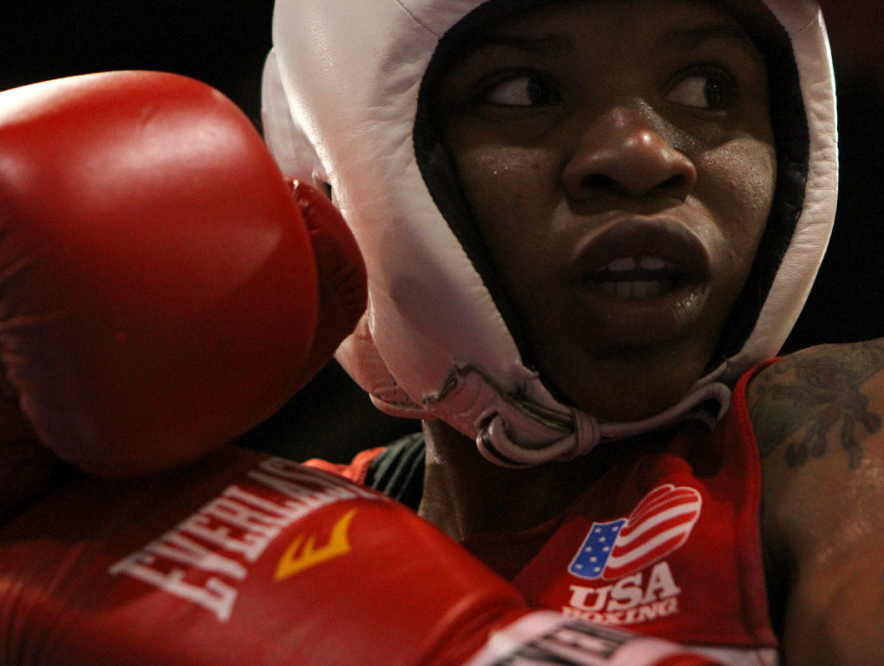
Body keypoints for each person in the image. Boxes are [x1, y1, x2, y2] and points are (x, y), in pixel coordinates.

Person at [262, 0, 877, 663]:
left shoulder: (844, 431)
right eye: (525, 92)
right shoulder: (268, 542)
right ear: (343, 164)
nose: (644, 155)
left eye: (709, 88)